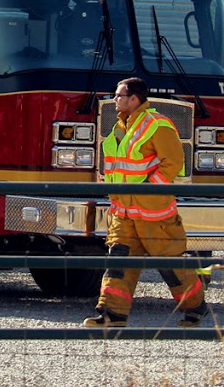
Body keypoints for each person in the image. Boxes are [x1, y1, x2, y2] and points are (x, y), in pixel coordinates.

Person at [83, 76, 205, 328]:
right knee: (118, 264)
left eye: (119, 95)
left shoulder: (157, 124)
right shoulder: (119, 127)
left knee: (170, 265)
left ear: (134, 99)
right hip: (124, 213)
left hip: (154, 213)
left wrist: (149, 189)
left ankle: (196, 308)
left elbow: (174, 162)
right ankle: (111, 314)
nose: (114, 99)